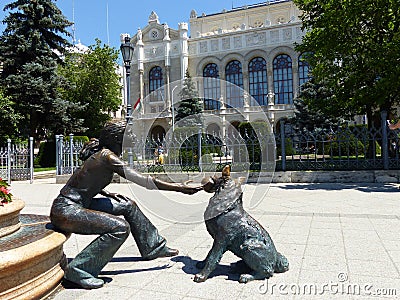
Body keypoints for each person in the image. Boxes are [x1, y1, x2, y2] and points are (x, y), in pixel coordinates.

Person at [50, 121, 202, 289]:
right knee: (120, 228)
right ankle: (78, 269)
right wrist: (179, 188)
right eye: (129, 134)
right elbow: (142, 180)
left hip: (79, 204)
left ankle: (152, 245)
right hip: (66, 210)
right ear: (118, 137)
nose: (133, 137)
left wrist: (106, 193)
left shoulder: (102, 154)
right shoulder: (107, 157)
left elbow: (85, 180)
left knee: (127, 204)